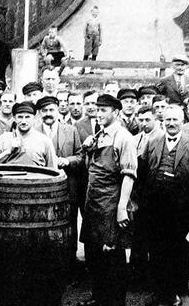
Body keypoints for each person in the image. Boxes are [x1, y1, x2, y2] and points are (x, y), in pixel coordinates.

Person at [136, 105, 189, 306]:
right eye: (168, 120)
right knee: (157, 250)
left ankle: (175, 291)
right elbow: (143, 172)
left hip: (181, 208)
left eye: (175, 119)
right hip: (155, 207)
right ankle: (160, 291)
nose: (171, 123)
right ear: (162, 121)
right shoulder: (152, 142)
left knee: (177, 250)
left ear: (182, 121)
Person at [78, 94, 137, 306]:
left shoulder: (124, 137)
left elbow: (128, 175)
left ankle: (114, 302)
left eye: (104, 110)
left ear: (116, 113)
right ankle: (99, 298)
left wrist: (122, 208)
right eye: (97, 109)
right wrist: (87, 148)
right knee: (95, 256)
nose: (99, 113)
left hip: (111, 204)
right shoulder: (100, 135)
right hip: (94, 204)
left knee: (112, 256)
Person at [34, 96, 84, 246]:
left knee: (69, 224)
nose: (48, 113)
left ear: (58, 111)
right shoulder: (33, 132)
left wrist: (67, 161)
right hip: (41, 188)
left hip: (67, 186)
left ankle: (71, 257)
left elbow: (80, 156)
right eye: (44, 111)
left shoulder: (71, 131)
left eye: (51, 110)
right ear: (39, 113)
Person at [0, 102, 57, 168]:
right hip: (8, 180)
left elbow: (53, 171)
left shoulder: (44, 141)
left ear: (34, 118)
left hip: (35, 181)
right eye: (20, 117)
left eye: (27, 117)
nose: (23, 121)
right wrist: (8, 152)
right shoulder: (4, 138)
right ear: (14, 118)